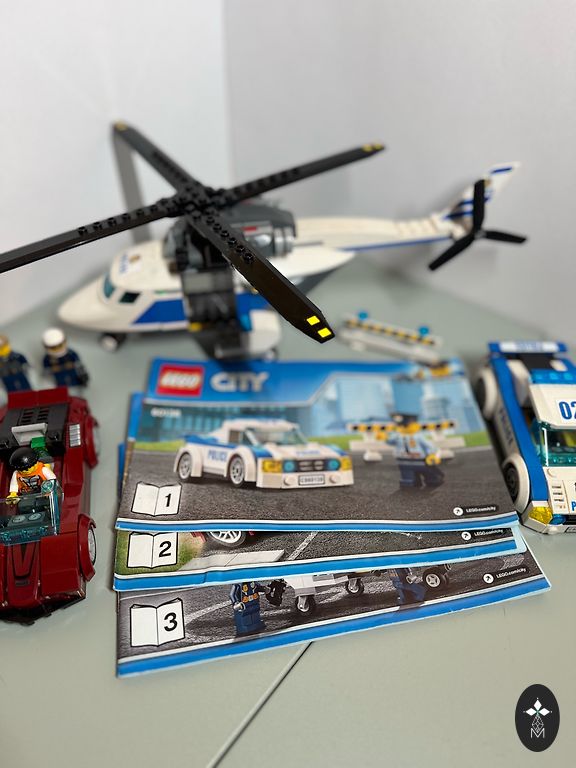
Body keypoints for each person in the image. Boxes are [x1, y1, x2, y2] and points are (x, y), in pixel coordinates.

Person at [7, 447, 56, 514]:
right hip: (27, 493)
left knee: (44, 504)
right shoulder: (16, 473)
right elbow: (14, 484)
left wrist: (49, 490)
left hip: (43, 493)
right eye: (22, 470)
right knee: (23, 506)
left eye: (27, 468)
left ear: (35, 463)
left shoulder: (43, 470)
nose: (25, 471)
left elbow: (53, 480)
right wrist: (13, 494)